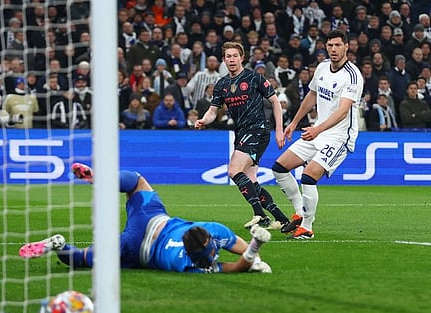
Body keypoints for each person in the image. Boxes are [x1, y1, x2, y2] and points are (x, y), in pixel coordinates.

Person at [19, 164, 272, 274]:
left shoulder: (211, 230)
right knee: (86, 259)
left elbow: (233, 246)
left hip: (154, 219)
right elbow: (236, 265)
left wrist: (253, 253)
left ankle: (102, 178)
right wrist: (253, 254)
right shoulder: (188, 264)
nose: (216, 257)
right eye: (213, 255)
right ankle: (60, 245)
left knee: (138, 181)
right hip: (137, 248)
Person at [271, 30, 364, 240]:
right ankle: (298, 212)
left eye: (337, 45)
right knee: (279, 168)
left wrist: (317, 129)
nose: (333, 49)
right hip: (318, 132)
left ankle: (307, 227)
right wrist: (294, 123)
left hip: (339, 137)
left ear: (346, 47)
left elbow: (343, 111)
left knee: (308, 176)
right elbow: (312, 95)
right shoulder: (322, 67)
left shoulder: (352, 75)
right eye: (330, 45)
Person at [195, 41, 289, 230]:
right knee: (251, 181)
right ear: (224, 60)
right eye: (228, 56)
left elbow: (275, 102)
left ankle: (259, 215)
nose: (231, 59)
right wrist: (204, 120)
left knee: (233, 170)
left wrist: (279, 129)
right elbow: (213, 111)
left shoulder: (255, 78)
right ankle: (282, 219)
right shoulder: (221, 84)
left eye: (235, 56)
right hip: (242, 133)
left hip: (258, 130)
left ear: (242, 58)